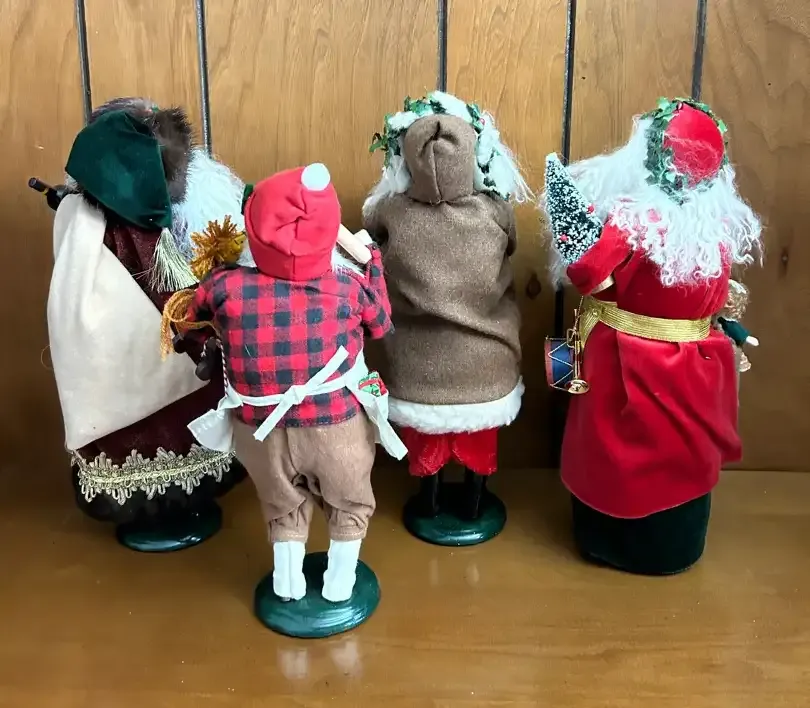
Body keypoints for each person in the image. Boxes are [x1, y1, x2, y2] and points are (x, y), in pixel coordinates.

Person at [542, 97, 762, 574]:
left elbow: (587, 271)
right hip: (697, 365)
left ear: (651, 157)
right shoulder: (716, 225)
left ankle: (609, 539)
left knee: (615, 452)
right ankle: (672, 543)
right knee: (682, 454)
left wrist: (574, 231)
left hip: (626, 360)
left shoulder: (632, 221)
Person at [177, 163, 405, 603]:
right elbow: (381, 323)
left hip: (261, 431)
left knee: (281, 506)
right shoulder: (349, 288)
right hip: (336, 427)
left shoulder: (222, 286)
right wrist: (372, 261)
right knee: (349, 503)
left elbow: (190, 321)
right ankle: (340, 584)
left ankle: (287, 583)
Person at [44, 98, 247, 548]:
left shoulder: (83, 218)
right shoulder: (137, 234)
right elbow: (173, 297)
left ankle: (170, 504)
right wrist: (204, 334)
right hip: (155, 360)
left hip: (130, 361)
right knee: (164, 424)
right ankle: (164, 508)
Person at [363, 91, 530, 540]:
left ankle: (430, 501)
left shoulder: (390, 213)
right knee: (480, 445)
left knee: (426, 446)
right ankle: (474, 504)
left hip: (416, 367)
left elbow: (370, 236)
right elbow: (512, 245)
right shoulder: (495, 211)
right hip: (486, 365)